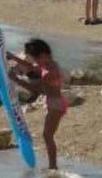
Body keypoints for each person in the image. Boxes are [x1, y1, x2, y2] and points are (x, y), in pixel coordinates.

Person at [9, 39, 68, 170]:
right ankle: (52, 165)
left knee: (47, 135)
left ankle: (53, 166)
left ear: (42, 55)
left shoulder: (50, 73)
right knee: (47, 135)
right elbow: (33, 67)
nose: (34, 62)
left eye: (35, 59)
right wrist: (14, 58)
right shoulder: (50, 64)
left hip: (56, 104)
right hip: (53, 102)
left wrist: (17, 80)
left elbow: (37, 90)